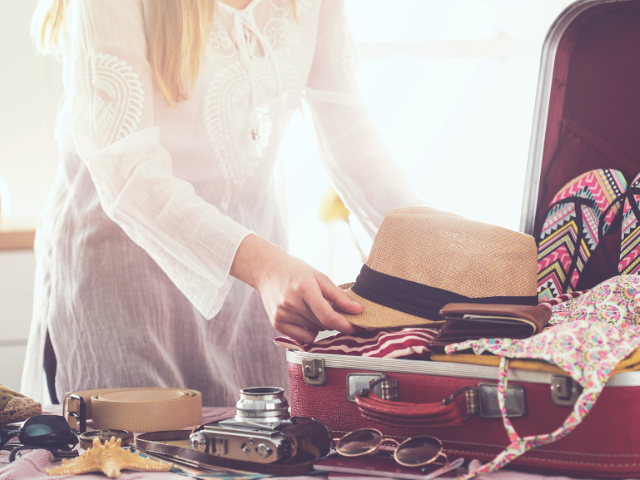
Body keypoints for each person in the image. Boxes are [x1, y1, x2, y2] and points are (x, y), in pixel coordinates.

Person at [21, 0, 422, 407]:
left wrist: (444, 256)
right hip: (122, 289)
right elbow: (127, 170)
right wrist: (266, 266)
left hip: (249, 296)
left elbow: (351, 140)